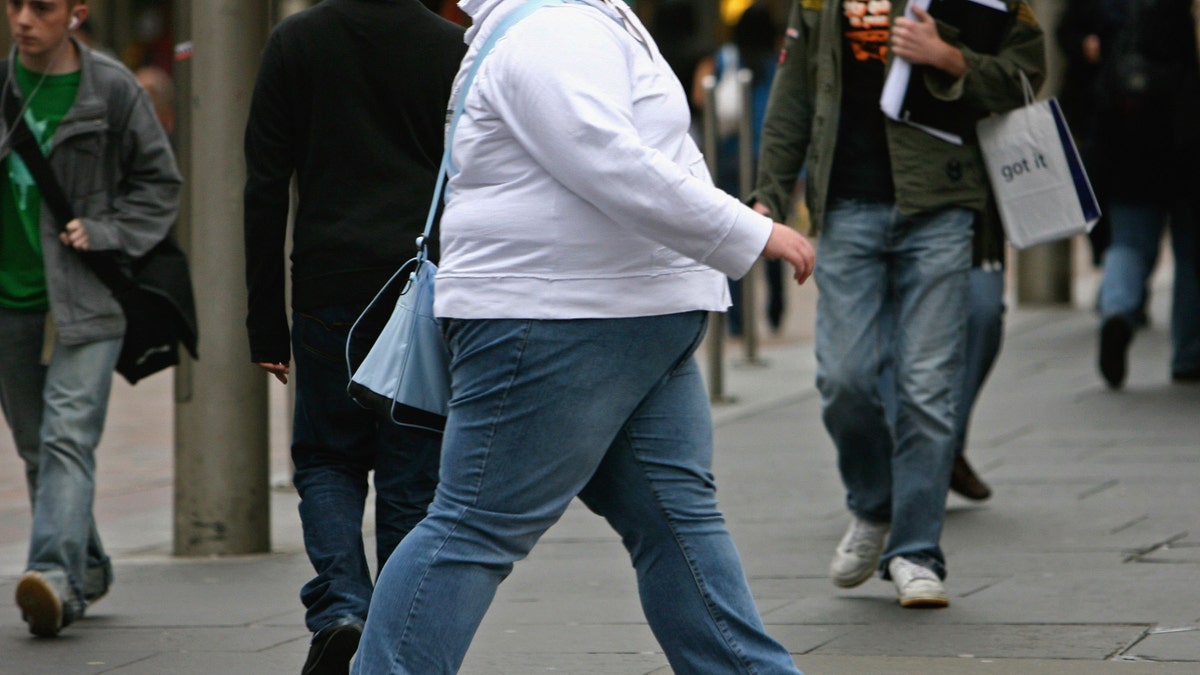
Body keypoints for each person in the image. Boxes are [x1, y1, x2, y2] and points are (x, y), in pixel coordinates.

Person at [351, 0, 816, 672]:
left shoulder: (571, 20)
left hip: (620, 314)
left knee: (675, 524)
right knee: (473, 527)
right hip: (561, 317)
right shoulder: (555, 29)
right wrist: (748, 232)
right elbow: (611, 160)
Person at [751, 1, 1044, 606]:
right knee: (844, 379)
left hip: (943, 203)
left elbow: (1026, 74)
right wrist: (769, 197)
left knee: (927, 388)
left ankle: (915, 551)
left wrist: (950, 59)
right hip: (846, 208)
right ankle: (873, 504)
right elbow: (794, 93)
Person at [242, 1, 463, 672]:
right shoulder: (450, 48)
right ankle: (395, 636)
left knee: (326, 459)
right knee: (411, 474)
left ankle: (342, 605)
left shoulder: (295, 42)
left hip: (326, 286)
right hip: (418, 286)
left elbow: (264, 185)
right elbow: (473, 180)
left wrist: (265, 321)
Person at [0, 0, 181, 636]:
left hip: (88, 296)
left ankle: (53, 575)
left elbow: (160, 183)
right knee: (36, 448)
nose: (23, 19)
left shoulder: (111, 90)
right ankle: (90, 565)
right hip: (11, 300)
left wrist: (106, 232)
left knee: (67, 436)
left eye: (42, 7)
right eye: (14, 4)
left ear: (76, 12)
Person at [1058, 0, 1200, 389]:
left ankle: (1117, 311)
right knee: (1190, 253)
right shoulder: (1176, 14)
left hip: (1125, 140)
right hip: (1185, 144)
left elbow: (1069, 34)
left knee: (1129, 242)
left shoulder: (1112, 11)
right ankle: (1189, 354)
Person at [694, 2, 788, 336]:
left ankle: (737, 320)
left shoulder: (723, 58)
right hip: (771, 160)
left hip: (730, 156)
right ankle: (776, 306)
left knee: (735, 234)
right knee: (774, 233)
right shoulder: (780, 61)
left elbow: (700, 96)